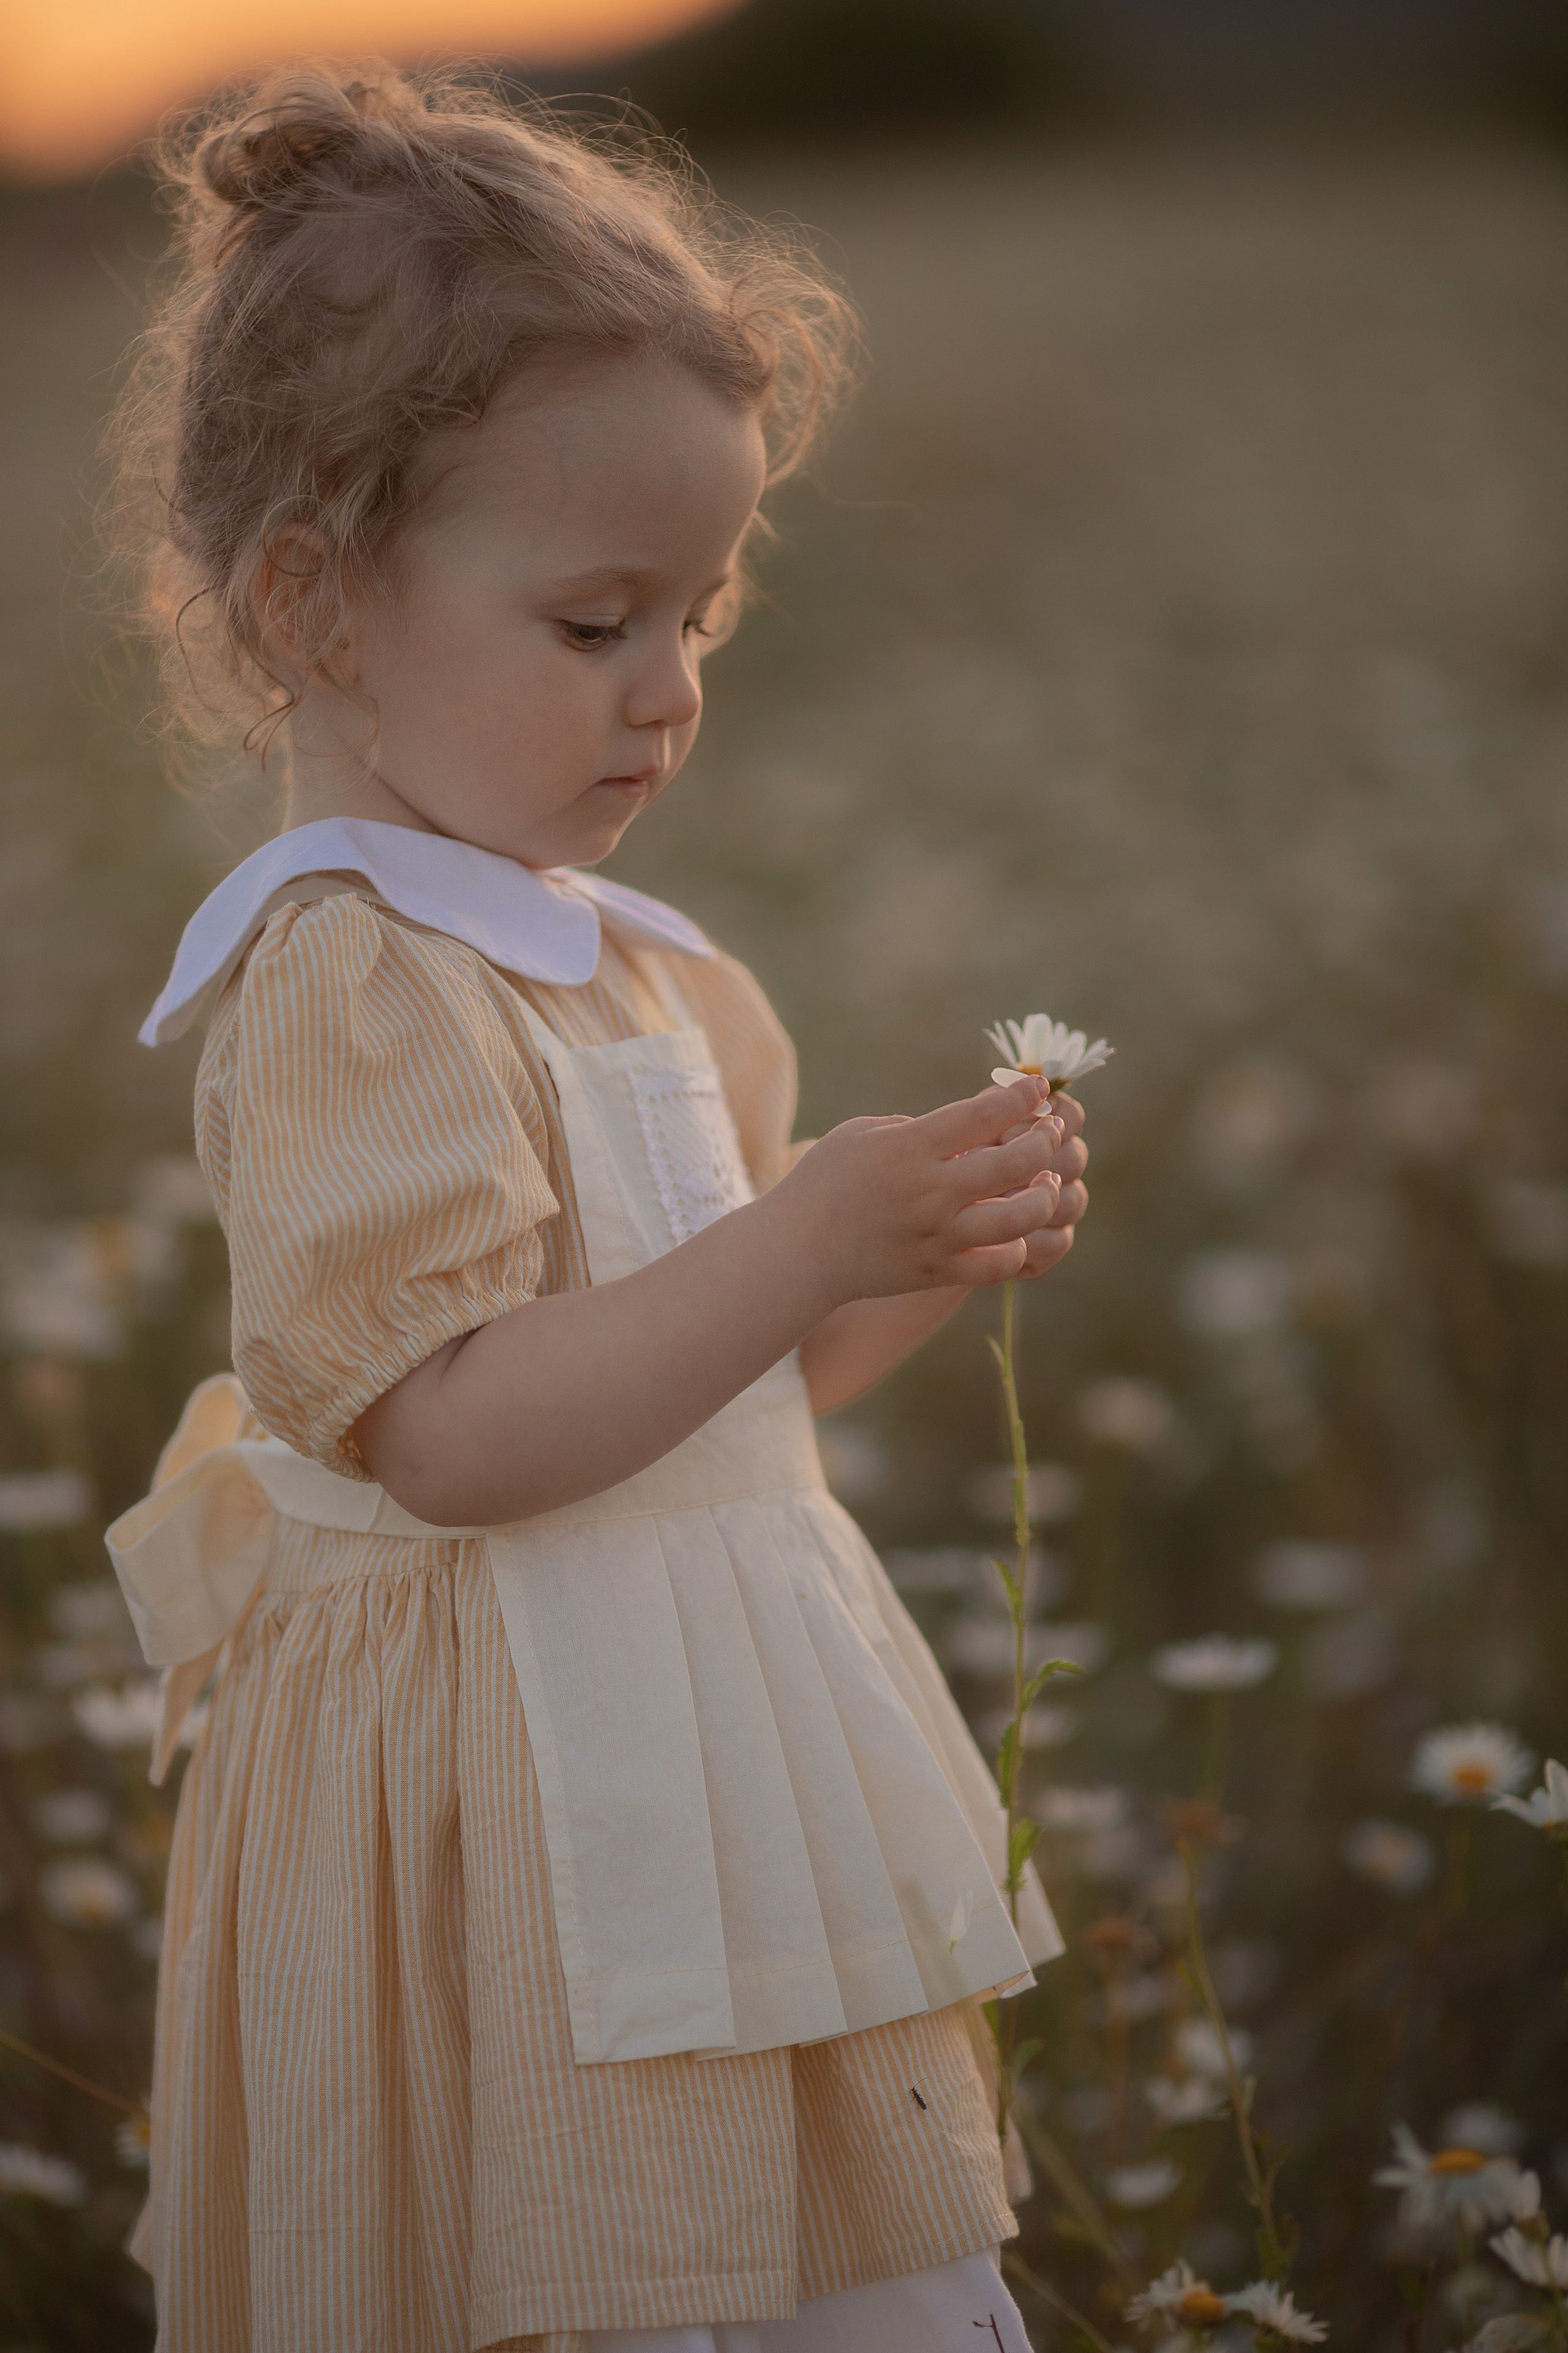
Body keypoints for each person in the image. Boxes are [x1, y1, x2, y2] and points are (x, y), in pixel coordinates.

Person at [104, 62, 1091, 2353]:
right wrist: (797, 1238)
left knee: (846, 2277)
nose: (667, 694)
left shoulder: (621, 961)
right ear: (313, 603)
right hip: (508, 1823)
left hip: (696, 1765)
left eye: (705, 617)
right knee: (581, 2276)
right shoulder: (355, 966)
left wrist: (905, 1252)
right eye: (592, 624)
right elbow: (445, 1432)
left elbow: (725, 1382)